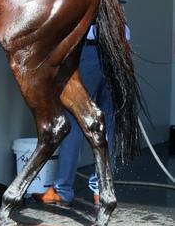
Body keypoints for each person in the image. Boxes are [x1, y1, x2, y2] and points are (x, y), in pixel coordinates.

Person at [33, 23, 129, 207]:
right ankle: (102, 191)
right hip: (118, 51)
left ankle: (63, 190)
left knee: (75, 120)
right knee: (109, 123)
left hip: (89, 51)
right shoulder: (113, 5)